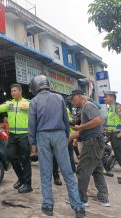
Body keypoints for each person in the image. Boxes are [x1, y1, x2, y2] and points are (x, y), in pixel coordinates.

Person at [28, 76, 85, 218]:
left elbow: (32, 124)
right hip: (60, 134)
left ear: (36, 87)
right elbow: (66, 120)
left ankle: (48, 206)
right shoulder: (59, 98)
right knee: (67, 171)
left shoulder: (34, 101)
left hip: (43, 136)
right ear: (47, 85)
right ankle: (78, 207)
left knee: (45, 173)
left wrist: (32, 143)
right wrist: (67, 136)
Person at [0, 84, 32, 194]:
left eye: (15, 91)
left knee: (25, 159)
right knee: (9, 155)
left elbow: (35, 115)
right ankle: (21, 179)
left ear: (20, 91)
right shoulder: (9, 103)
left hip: (24, 134)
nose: (13, 93)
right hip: (13, 135)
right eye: (11, 91)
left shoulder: (27, 103)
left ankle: (28, 185)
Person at [68, 90, 110, 207]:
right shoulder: (85, 108)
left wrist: (80, 127)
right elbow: (87, 130)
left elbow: (97, 121)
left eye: (72, 99)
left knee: (82, 170)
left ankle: (80, 199)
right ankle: (103, 197)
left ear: (78, 97)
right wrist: (72, 136)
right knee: (97, 171)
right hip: (96, 142)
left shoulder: (87, 106)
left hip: (92, 143)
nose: (72, 102)